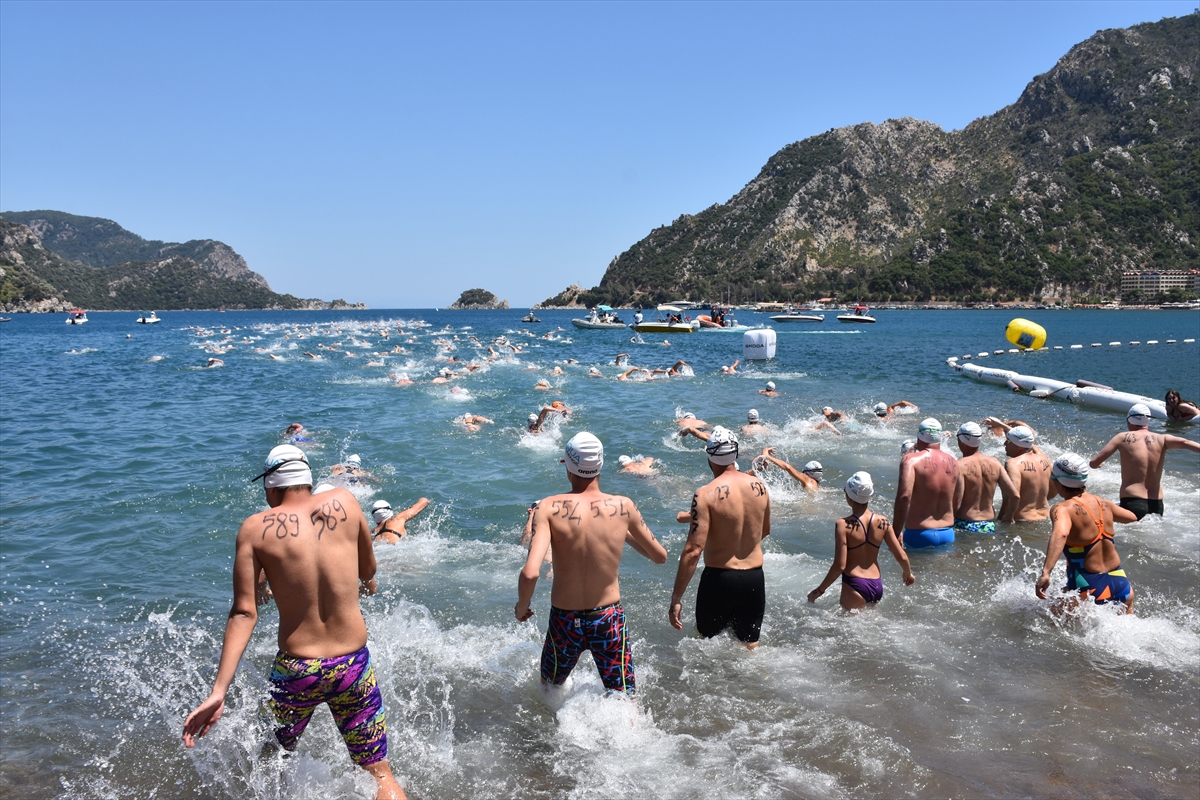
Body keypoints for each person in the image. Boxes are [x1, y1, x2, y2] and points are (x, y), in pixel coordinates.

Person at [181, 445, 405, 800]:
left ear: (271, 486)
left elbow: (244, 611)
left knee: (270, 765)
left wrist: (218, 692)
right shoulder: (345, 501)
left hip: (297, 670)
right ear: (307, 479)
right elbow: (368, 570)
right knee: (380, 774)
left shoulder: (255, 529)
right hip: (352, 665)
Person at [515, 433, 667, 695]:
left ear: (568, 465)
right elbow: (659, 556)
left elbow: (530, 573)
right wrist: (620, 531)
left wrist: (521, 607)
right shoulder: (623, 506)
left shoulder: (548, 507)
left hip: (565, 619)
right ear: (601, 465)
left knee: (549, 688)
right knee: (623, 696)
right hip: (607, 617)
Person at [669, 427, 771, 649]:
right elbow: (764, 531)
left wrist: (676, 599)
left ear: (709, 456)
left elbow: (693, 550)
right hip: (755, 579)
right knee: (749, 647)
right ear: (735, 454)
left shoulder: (705, 493)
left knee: (704, 647)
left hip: (720, 580)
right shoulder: (760, 486)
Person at [1036, 454, 1138, 613]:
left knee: (1043, 617)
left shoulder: (1062, 508)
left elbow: (1061, 534)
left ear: (1058, 481)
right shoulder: (1104, 503)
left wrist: (1046, 572)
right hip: (1121, 584)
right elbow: (1131, 517)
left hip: (1090, 588)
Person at [808, 472, 914, 609]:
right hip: (876, 585)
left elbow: (839, 566)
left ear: (849, 496)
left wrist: (818, 591)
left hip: (855, 584)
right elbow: (902, 556)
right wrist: (907, 573)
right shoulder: (884, 522)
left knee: (846, 629)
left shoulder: (842, 524)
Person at [1089, 403, 1200, 519]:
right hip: (1157, 505)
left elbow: (1093, 463)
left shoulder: (1121, 437)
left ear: (1129, 420)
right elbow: (1186, 443)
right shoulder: (1162, 439)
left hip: (1132, 502)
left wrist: (1099, 464)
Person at [893, 418, 959, 548]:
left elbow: (904, 496)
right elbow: (957, 500)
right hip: (948, 533)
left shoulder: (910, 460)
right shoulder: (954, 462)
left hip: (919, 534)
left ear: (919, 437)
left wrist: (895, 532)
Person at [953, 421, 1018, 533]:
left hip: (963, 523)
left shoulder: (959, 465)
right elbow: (1015, 495)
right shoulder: (995, 463)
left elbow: (957, 502)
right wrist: (1009, 516)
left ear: (962, 441)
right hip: (988, 525)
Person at [1002, 425, 1052, 522]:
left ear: (1019, 446)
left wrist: (1007, 517)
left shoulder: (1013, 464)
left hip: (1022, 521)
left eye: (1008, 441)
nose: (1004, 443)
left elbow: (1014, 495)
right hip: (1045, 518)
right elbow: (1054, 489)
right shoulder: (1045, 460)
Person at [754, 448, 822, 491]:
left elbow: (788, 468)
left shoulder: (807, 479)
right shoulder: (817, 485)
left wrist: (767, 456)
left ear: (806, 471)